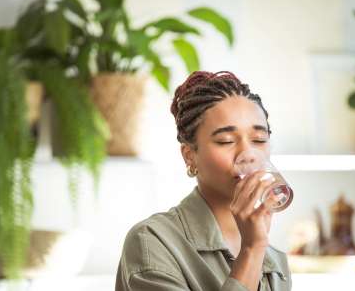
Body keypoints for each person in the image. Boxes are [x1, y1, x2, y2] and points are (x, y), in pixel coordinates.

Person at [115, 71, 292, 291]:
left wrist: (256, 247)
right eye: (225, 141)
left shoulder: (275, 261)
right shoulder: (152, 242)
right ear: (190, 155)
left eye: (259, 139)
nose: (248, 153)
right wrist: (251, 250)